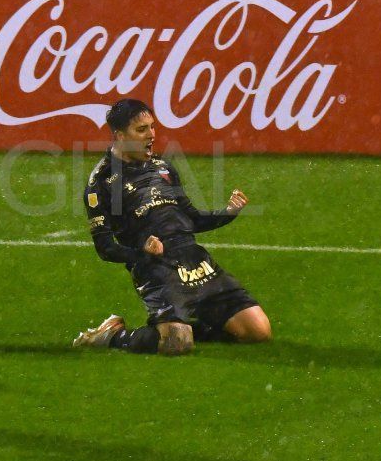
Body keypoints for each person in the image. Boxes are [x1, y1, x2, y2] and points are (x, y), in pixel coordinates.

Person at [73, 98, 271, 355]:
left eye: (152, 127)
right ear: (120, 136)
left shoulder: (163, 167)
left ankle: (180, 329)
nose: (151, 135)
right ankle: (114, 335)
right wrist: (142, 252)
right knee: (176, 344)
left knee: (258, 332)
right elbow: (104, 247)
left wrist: (228, 213)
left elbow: (191, 218)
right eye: (141, 130)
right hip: (157, 267)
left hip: (195, 259)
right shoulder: (101, 182)